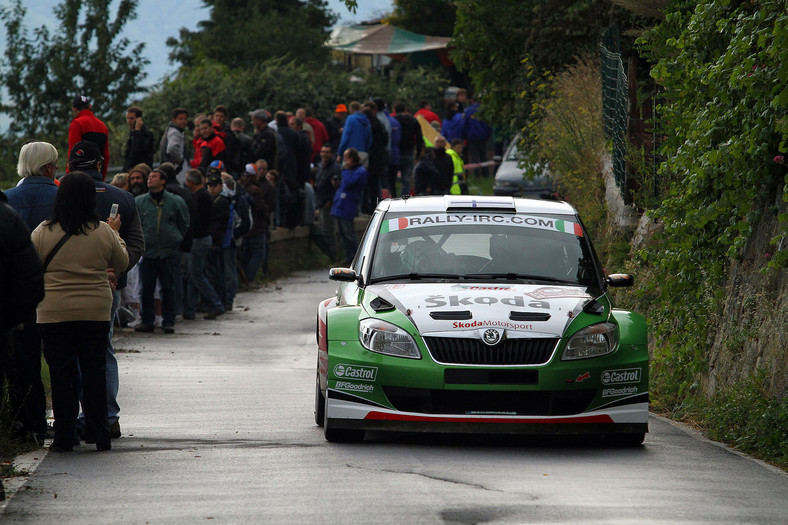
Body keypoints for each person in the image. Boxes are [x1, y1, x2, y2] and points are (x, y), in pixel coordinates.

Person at [31, 171, 128, 451]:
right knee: (93, 371)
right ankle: (99, 433)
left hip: (53, 311)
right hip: (94, 311)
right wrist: (117, 232)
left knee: (62, 373)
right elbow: (121, 260)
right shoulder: (102, 231)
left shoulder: (43, 231)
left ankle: (64, 435)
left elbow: (31, 264)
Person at [68, 140, 145, 439]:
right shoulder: (124, 197)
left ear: (70, 167)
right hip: (108, 286)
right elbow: (137, 243)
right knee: (104, 349)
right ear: (100, 164)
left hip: (68, 285)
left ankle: (79, 415)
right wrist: (116, 269)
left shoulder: (62, 194)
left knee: (71, 352)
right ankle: (108, 416)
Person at [3, 142, 59, 441]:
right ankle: (66, 421)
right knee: (62, 359)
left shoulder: (8, 201)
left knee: (24, 362)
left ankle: (30, 422)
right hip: (61, 292)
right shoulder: (64, 198)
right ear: (49, 167)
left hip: (18, 297)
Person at [134, 167, 189, 334]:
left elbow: (184, 222)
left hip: (168, 251)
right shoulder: (140, 201)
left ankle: (168, 321)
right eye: (149, 176)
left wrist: (175, 238)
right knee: (147, 288)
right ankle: (147, 321)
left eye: (154, 176)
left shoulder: (175, 201)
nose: (150, 179)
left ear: (163, 181)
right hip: (148, 251)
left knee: (168, 287)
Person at [184, 169, 225, 320]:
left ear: (190, 182)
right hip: (202, 238)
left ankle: (216, 304)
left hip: (199, 239)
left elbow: (195, 219)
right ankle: (190, 308)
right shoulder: (204, 195)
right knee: (193, 275)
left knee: (196, 275)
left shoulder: (199, 197)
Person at [331, 148, 368, 266]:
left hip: (348, 205)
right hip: (340, 205)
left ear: (351, 159)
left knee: (349, 233)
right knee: (342, 234)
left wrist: (345, 171)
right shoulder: (348, 171)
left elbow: (349, 182)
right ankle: (348, 257)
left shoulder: (360, 171)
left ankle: (356, 258)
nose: (344, 161)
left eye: (346, 158)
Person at [240, 164, 276, 283]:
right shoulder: (255, 190)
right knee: (258, 255)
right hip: (257, 227)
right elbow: (261, 208)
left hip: (247, 227)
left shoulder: (242, 189)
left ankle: (245, 277)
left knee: (248, 254)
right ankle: (248, 278)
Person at [68, 95, 110, 179]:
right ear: (89, 106)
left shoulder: (77, 124)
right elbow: (106, 155)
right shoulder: (102, 126)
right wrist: (102, 176)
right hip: (97, 175)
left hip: (80, 177)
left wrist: (69, 176)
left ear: (74, 109)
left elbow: (73, 152)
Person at [314, 145, 341, 260]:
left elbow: (336, 186)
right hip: (320, 201)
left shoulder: (334, 168)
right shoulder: (321, 167)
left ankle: (333, 255)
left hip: (328, 203)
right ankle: (327, 255)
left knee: (329, 230)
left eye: (327, 152)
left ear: (331, 154)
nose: (324, 154)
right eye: (322, 151)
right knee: (323, 228)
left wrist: (330, 200)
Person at [393, 102, 423, 197]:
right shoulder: (413, 120)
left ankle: (393, 197)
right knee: (406, 178)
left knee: (392, 178)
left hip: (396, 152)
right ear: (405, 110)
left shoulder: (393, 120)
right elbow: (419, 138)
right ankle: (404, 198)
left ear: (394, 110)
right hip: (409, 151)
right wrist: (418, 153)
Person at [463, 94, 493, 177]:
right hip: (483, 137)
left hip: (472, 137)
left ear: (472, 100)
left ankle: (476, 175)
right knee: (484, 156)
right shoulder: (484, 110)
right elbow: (489, 125)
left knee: (474, 157)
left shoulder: (468, 111)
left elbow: (465, 125)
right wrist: (487, 135)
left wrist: (465, 136)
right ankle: (486, 174)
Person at [337, 101, 371, 167]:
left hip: (350, 153)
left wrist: (340, 152)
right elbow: (369, 139)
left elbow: (345, 137)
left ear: (350, 109)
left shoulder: (350, 119)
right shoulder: (367, 120)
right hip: (363, 152)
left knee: (347, 174)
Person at [122, 105, 155, 171]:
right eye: (127, 118)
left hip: (142, 170)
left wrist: (137, 131)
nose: (128, 121)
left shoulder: (146, 134)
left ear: (138, 119)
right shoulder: (132, 133)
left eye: (131, 118)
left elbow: (137, 149)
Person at [159, 108, 189, 178]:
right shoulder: (174, 132)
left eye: (185, 119)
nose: (183, 121)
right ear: (174, 120)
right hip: (175, 171)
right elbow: (172, 148)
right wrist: (181, 160)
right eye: (180, 119)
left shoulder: (171, 130)